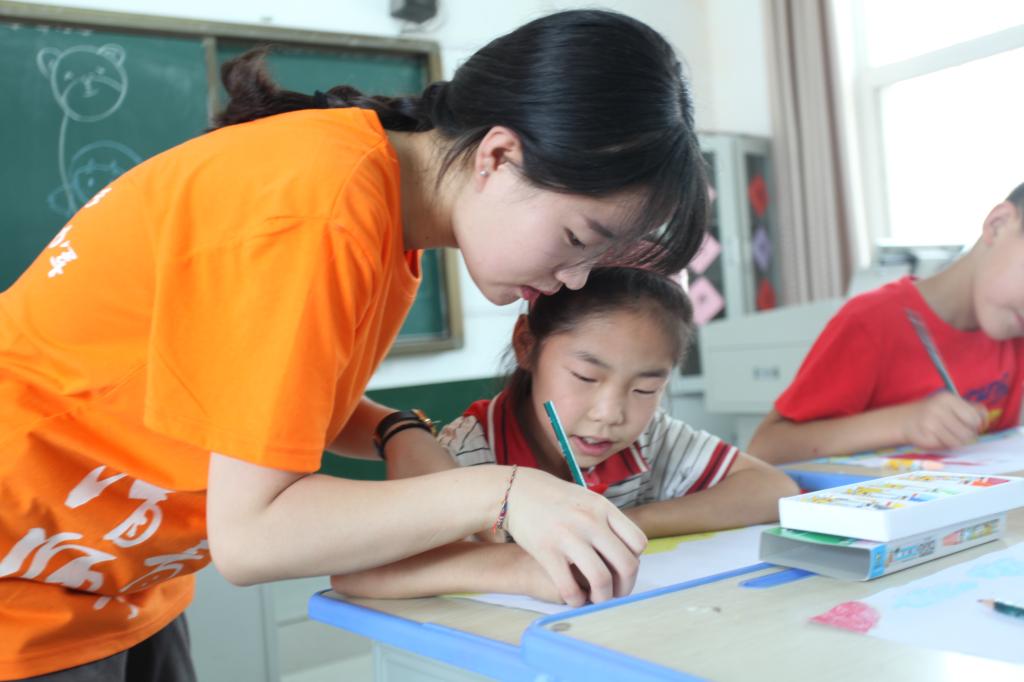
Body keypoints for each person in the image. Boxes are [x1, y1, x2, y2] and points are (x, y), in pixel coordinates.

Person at [0, 10, 711, 680]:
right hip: (23, 573)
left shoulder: (372, 203)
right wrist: (503, 491)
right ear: (498, 156)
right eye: (578, 238)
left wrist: (393, 429)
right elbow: (253, 537)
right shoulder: (318, 213)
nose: (576, 278)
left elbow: (259, 389)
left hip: (114, 579)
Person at [330, 267, 798, 602]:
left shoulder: (649, 438)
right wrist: (520, 566)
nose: (610, 414)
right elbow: (363, 572)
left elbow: (770, 488)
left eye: (645, 388)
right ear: (526, 345)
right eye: (585, 377)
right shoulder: (469, 450)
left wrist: (621, 523)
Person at [747, 183, 1024, 464]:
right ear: (998, 225)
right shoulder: (871, 323)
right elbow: (765, 448)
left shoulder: (1013, 333)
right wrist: (903, 424)